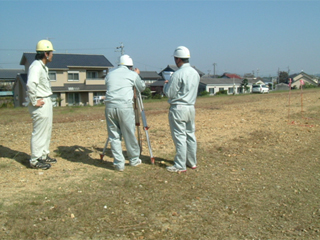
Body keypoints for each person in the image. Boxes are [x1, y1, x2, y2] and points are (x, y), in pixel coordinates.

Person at [104, 54, 146, 171]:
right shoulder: (132, 74)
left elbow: (108, 85)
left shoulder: (110, 74)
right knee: (129, 134)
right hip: (124, 107)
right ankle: (133, 159)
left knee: (114, 136)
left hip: (110, 106)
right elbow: (141, 87)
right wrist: (137, 75)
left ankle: (119, 164)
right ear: (130, 66)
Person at [163, 46, 200, 173]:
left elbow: (170, 93)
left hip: (178, 108)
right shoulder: (195, 73)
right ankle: (192, 162)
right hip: (191, 107)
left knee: (180, 137)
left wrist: (166, 85)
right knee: (190, 135)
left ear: (178, 59)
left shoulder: (177, 74)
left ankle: (180, 164)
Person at [26, 40, 57, 170]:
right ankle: (35, 160)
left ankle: (43, 155)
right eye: (51, 53)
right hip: (40, 102)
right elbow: (30, 84)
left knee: (46, 130)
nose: (52, 55)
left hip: (45, 101)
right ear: (46, 53)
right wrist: (34, 101)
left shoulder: (43, 66)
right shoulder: (36, 66)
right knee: (39, 132)